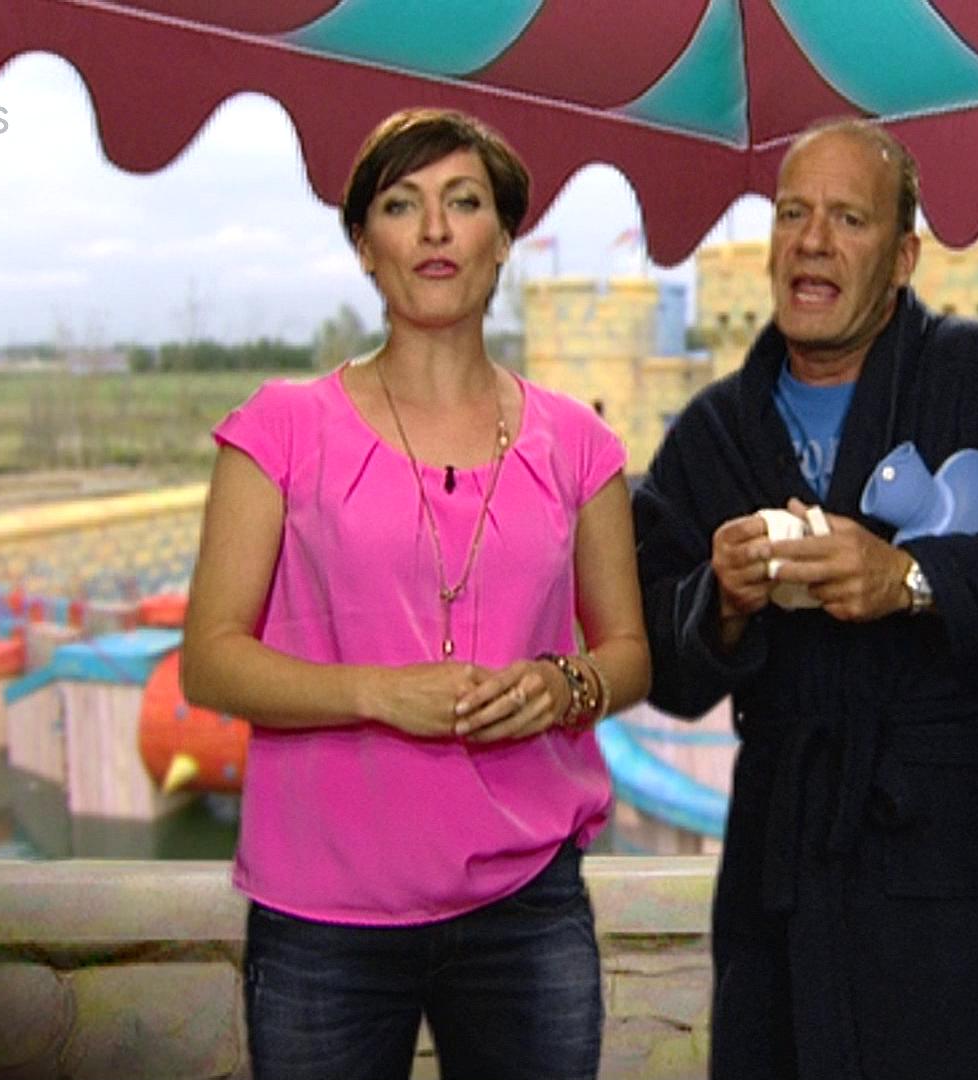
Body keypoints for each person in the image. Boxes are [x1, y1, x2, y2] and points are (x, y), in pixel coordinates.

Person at [633, 119, 978, 1078]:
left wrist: (915, 581)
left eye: (848, 218)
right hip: (783, 863)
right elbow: (654, 657)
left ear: (903, 258)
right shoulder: (715, 432)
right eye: (793, 214)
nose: (812, 241)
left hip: (951, 855)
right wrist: (723, 602)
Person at [182, 108, 649, 1080]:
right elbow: (210, 661)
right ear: (364, 245)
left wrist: (563, 686)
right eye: (402, 205)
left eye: (463, 202)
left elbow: (629, 653)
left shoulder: (581, 444)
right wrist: (378, 693)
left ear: (504, 238)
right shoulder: (279, 430)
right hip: (322, 921)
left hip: (528, 905)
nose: (435, 230)